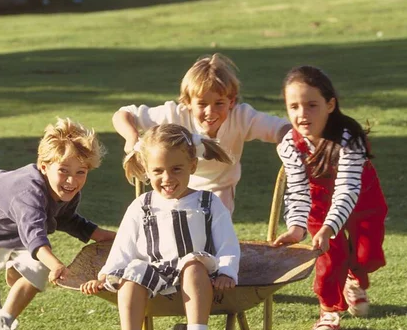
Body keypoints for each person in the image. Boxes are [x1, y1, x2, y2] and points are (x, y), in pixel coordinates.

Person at [80, 124, 240, 330]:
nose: (167, 178)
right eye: (158, 171)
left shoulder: (208, 203)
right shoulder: (141, 205)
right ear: (146, 171)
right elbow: (124, 244)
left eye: (176, 169)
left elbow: (227, 242)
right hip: (155, 274)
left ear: (193, 167)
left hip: (197, 274)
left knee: (194, 267)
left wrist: (227, 272)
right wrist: (106, 275)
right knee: (131, 278)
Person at [0, 117, 116, 330]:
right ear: (43, 166)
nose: (72, 180)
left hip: (17, 228)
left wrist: (102, 234)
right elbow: (35, 238)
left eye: (80, 172)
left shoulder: (68, 191)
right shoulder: (28, 194)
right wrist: (57, 266)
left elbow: (66, 219)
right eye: (63, 171)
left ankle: (1, 326)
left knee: (34, 269)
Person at [272, 66, 388, 330]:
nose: (302, 114)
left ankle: (355, 276)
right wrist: (297, 227)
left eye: (312, 105)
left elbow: (347, 189)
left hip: (362, 200)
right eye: (294, 106)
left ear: (330, 104)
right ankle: (329, 313)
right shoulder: (289, 144)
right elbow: (298, 189)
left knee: (367, 255)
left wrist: (330, 227)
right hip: (318, 204)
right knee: (328, 259)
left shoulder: (350, 138)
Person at [112, 53, 291, 214]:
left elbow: (282, 128)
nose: (210, 112)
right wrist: (132, 137)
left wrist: (286, 145)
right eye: (202, 104)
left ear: (232, 101)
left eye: (219, 103)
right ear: (188, 102)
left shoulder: (241, 117)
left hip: (220, 188)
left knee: (212, 226)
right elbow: (123, 114)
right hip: (176, 182)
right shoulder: (175, 114)